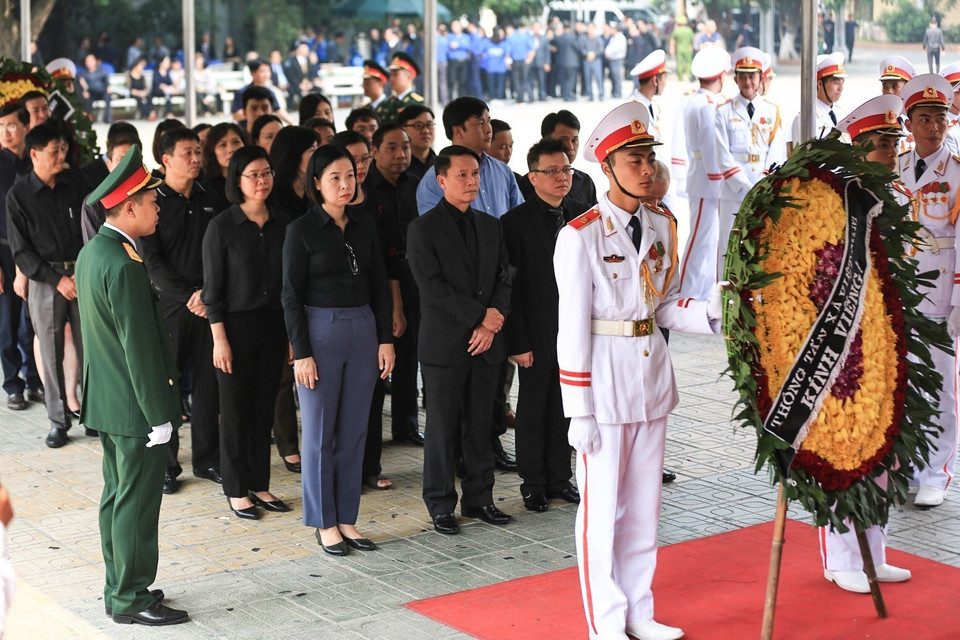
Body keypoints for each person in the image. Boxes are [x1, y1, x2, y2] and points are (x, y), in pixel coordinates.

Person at [555, 102, 722, 640]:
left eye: (649, 156)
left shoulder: (663, 224)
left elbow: (666, 304)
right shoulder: (579, 235)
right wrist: (576, 408)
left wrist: (716, 313)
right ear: (607, 168)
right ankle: (605, 623)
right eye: (634, 159)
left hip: (651, 383)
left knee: (645, 506)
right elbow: (571, 329)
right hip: (601, 387)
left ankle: (639, 610)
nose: (647, 168)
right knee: (601, 512)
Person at [75, 145, 188, 626]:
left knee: (117, 498)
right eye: (151, 200)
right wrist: (161, 414)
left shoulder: (93, 252)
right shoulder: (124, 263)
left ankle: (119, 585)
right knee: (137, 504)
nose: (158, 207)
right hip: (134, 406)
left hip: (109, 402)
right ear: (128, 207)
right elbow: (139, 348)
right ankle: (131, 598)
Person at [819, 94, 916, 594]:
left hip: (885, 340)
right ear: (858, 148)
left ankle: (874, 552)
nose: (893, 150)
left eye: (895, 141)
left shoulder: (892, 194)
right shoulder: (840, 198)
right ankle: (840, 556)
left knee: (884, 450)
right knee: (844, 447)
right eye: (882, 142)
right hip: (845, 343)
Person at [282, 144, 394, 555]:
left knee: (354, 431)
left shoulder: (364, 225)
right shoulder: (301, 230)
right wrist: (302, 350)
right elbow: (290, 295)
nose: (345, 184)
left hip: (363, 327)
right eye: (335, 178)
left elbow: (380, 285)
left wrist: (386, 339)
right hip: (320, 330)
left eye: (351, 175)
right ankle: (323, 521)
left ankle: (347, 518)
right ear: (316, 183)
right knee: (318, 434)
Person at [407, 145, 513, 535]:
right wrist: (478, 317)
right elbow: (432, 288)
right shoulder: (423, 228)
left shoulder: (490, 224)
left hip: (487, 343)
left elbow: (505, 277)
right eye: (462, 175)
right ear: (442, 181)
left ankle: (480, 498)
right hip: (445, 344)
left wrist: (492, 322)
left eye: (475, 175)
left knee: (481, 424)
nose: (472, 182)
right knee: (441, 427)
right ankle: (440, 504)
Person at [203, 146, 291, 520]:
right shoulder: (222, 226)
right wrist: (219, 338)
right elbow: (213, 290)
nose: (262, 181)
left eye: (267, 172)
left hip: (273, 326)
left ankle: (259, 483)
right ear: (236, 180)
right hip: (234, 330)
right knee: (235, 410)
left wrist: (291, 337)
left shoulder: (284, 223)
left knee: (263, 409)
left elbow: (291, 286)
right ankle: (236, 488)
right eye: (253, 174)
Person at [502, 138, 587, 512]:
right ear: (532, 177)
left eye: (566, 169)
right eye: (551, 171)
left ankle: (560, 478)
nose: (561, 177)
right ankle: (533, 482)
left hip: (578, 332)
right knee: (535, 408)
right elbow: (511, 289)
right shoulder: (514, 224)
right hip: (536, 333)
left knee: (566, 406)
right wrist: (517, 342)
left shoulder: (586, 215)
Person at [139, 128, 225, 494]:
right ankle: (167, 465)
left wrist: (208, 293)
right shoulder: (153, 200)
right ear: (166, 159)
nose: (196, 158)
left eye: (197, 152)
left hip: (210, 305)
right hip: (170, 307)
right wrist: (190, 294)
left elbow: (224, 251)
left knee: (209, 386)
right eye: (187, 153)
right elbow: (151, 261)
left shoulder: (213, 197)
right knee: (167, 388)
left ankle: (207, 460)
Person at [897, 74, 960, 508]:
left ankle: (937, 472)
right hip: (900, 289)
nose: (934, 126)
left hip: (940, 286)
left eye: (940, 118)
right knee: (902, 381)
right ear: (909, 122)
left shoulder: (956, 172)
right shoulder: (893, 167)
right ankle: (908, 466)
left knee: (939, 384)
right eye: (925, 118)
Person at [6, 122, 88, 448]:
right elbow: (21, 251)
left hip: (82, 276)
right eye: (54, 151)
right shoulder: (19, 195)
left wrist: (82, 274)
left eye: (63, 149)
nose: (61, 156)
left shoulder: (76, 182)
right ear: (35, 154)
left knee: (90, 350)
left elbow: (92, 227)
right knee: (50, 355)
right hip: (45, 280)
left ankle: (93, 414)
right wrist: (58, 280)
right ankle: (58, 421)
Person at [365, 125, 424, 450]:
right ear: (375, 151)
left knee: (410, 350)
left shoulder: (415, 183)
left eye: (405, 147)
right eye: (391, 148)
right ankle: (372, 431)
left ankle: (407, 424)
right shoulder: (365, 190)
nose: (401, 155)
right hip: (379, 278)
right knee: (383, 352)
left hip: (413, 274)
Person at [267, 127, 319, 474]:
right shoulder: (276, 199)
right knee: (285, 374)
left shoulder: (314, 194)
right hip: (281, 291)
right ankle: (288, 444)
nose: (317, 154)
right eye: (311, 149)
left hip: (316, 292)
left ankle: (315, 438)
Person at [714, 47, 786, 279]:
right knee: (729, 244)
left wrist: (763, 185)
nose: (747, 81)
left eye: (752, 76)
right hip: (733, 192)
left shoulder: (772, 111)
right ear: (735, 79)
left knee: (761, 244)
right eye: (742, 76)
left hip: (763, 190)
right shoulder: (723, 112)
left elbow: (776, 152)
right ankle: (723, 300)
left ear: (761, 77)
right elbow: (722, 156)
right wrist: (746, 188)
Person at [0, 104, 43, 412]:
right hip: (2, 250)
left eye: (12, 125)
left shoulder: (37, 161)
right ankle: (12, 383)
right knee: (7, 322)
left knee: (34, 320)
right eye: (0, 126)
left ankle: (35, 380)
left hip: (33, 252)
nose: (5, 132)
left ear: (26, 127)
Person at [677, 47, 729, 301]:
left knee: (707, 240)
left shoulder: (694, 100)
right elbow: (711, 149)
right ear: (719, 77)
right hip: (707, 181)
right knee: (699, 239)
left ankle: (699, 291)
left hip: (702, 178)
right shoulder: (707, 105)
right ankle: (684, 293)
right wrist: (720, 183)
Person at [517, 110, 597, 206]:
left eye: (574, 140)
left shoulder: (585, 182)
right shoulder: (523, 187)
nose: (571, 147)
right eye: (563, 140)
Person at [81, 124, 142, 244]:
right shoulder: (94, 203)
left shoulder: (151, 196)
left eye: (132, 159)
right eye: (120, 159)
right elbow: (95, 250)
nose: (126, 165)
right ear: (109, 165)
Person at [789, 52, 847, 153]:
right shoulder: (805, 118)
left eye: (842, 83)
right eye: (836, 83)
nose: (840, 89)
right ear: (820, 84)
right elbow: (801, 161)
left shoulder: (842, 115)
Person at [200, 122, 248, 205]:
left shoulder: (256, 179)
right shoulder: (207, 189)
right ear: (212, 152)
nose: (231, 150)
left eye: (236, 142)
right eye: (223, 145)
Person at [376, 52, 425, 126]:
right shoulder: (387, 103)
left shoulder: (415, 103)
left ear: (409, 77)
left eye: (396, 75)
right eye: (391, 75)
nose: (391, 78)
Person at [399, 105, 437, 180]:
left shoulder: (442, 165)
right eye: (418, 126)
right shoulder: (398, 165)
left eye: (429, 125)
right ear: (403, 130)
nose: (426, 131)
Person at [77, 54, 112, 123]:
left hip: (102, 92)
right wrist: (84, 91)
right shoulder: (82, 74)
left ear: (95, 61)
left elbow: (106, 81)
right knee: (86, 99)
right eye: (87, 61)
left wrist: (109, 86)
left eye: (90, 61)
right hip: (91, 93)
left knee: (108, 97)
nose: (89, 63)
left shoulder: (102, 70)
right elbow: (81, 86)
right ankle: (88, 118)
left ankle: (107, 118)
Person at [670, 15, 695, 82]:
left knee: (679, 63)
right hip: (688, 48)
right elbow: (692, 40)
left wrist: (671, 48)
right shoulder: (689, 30)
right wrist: (692, 46)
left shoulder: (676, 30)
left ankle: (680, 78)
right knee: (689, 62)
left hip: (679, 49)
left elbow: (672, 40)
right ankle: (688, 76)